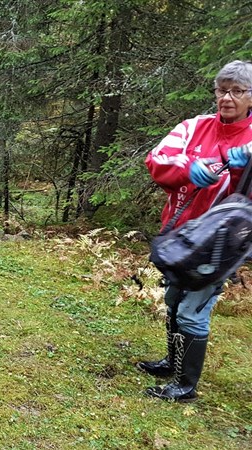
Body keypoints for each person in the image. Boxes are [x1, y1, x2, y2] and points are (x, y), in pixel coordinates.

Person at [141, 60, 252, 402]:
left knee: (193, 309)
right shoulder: (193, 127)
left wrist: (240, 171)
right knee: (174, 300)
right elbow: (157, 160)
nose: (227, 98)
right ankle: (172, 362)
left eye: (237, 91)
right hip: (182, 237)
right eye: (222, 90)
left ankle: (185, 384)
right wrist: (190, 168)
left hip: (221, 246)